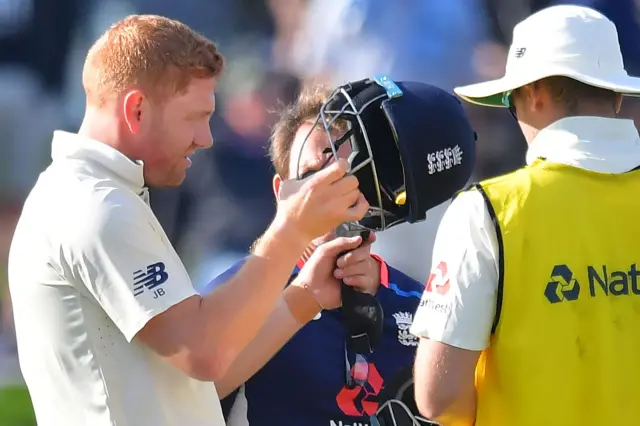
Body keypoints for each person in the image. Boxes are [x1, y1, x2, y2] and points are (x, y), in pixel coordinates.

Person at [7, 15, 368, 426]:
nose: (206, 137)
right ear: (137, 109)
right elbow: (204, 354)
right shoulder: (96, 205)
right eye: (195, 117)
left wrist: (306, 295)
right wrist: (291, 229)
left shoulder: (97, 194)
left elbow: (198, 382)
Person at [409, 5, 640, 426]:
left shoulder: (487, 211)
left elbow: (439, 399)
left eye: (510, 101)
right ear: (618, 96)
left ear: (533, 93)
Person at [209, 76, 477, 426]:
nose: (329, 191)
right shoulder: (233, 297)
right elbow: (182, 390)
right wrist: (303, 299)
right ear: (281, 192)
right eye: (311, 175)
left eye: (349, 175)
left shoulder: (420, 307)